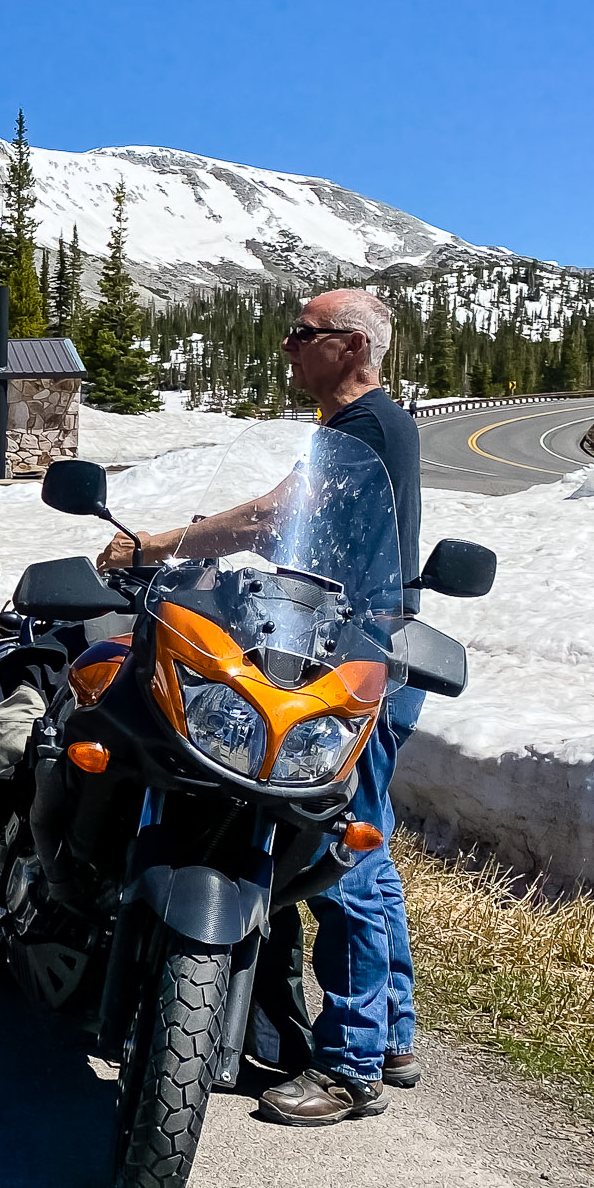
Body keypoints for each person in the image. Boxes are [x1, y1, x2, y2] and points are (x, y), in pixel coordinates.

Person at [99, 288, 423, 1126]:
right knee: (367, 854)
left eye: (303, 334)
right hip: (350, 650)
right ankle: (388, 1034)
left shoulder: (371, 428)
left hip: (354, 664)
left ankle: (351, 1066)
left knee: (332, 855)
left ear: (351, 346)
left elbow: (281, 514)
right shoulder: (352, 432)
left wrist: (160, 544)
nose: (288, 348)